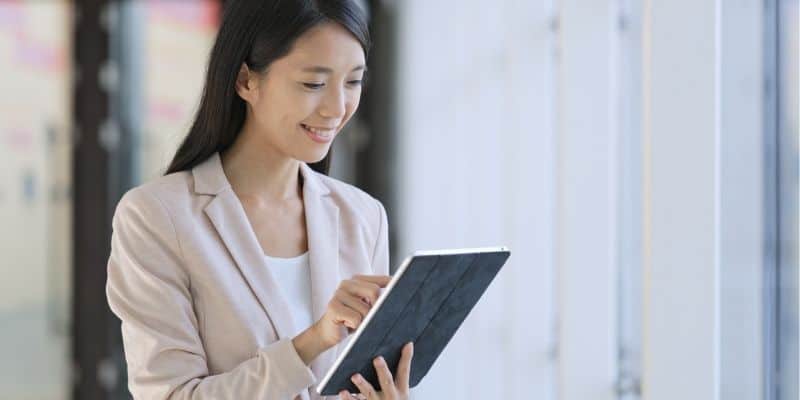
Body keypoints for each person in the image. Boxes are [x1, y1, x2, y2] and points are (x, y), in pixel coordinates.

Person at [105, 1, 413, 399]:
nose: (337, 108)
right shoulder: (155, 217)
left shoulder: (364, 218)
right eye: (313, 84)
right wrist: (313, 341)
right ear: (246, 81)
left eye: (353, 82)